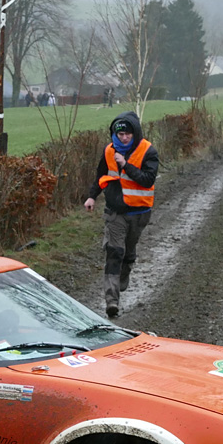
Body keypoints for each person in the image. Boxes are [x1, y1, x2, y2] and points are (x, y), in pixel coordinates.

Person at [84, 111, 158, 318]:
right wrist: (92, 196)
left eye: (127, 134)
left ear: (135, 133)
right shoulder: (109, 151)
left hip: (140, 212)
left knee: (128, 252)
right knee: (114, 251)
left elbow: (147, 180)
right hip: (115, 211)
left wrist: (126, 165)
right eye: (120, 134)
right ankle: (111, 300)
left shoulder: (148, 151)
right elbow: (101, 175)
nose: (124, 138)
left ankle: (123, 275)